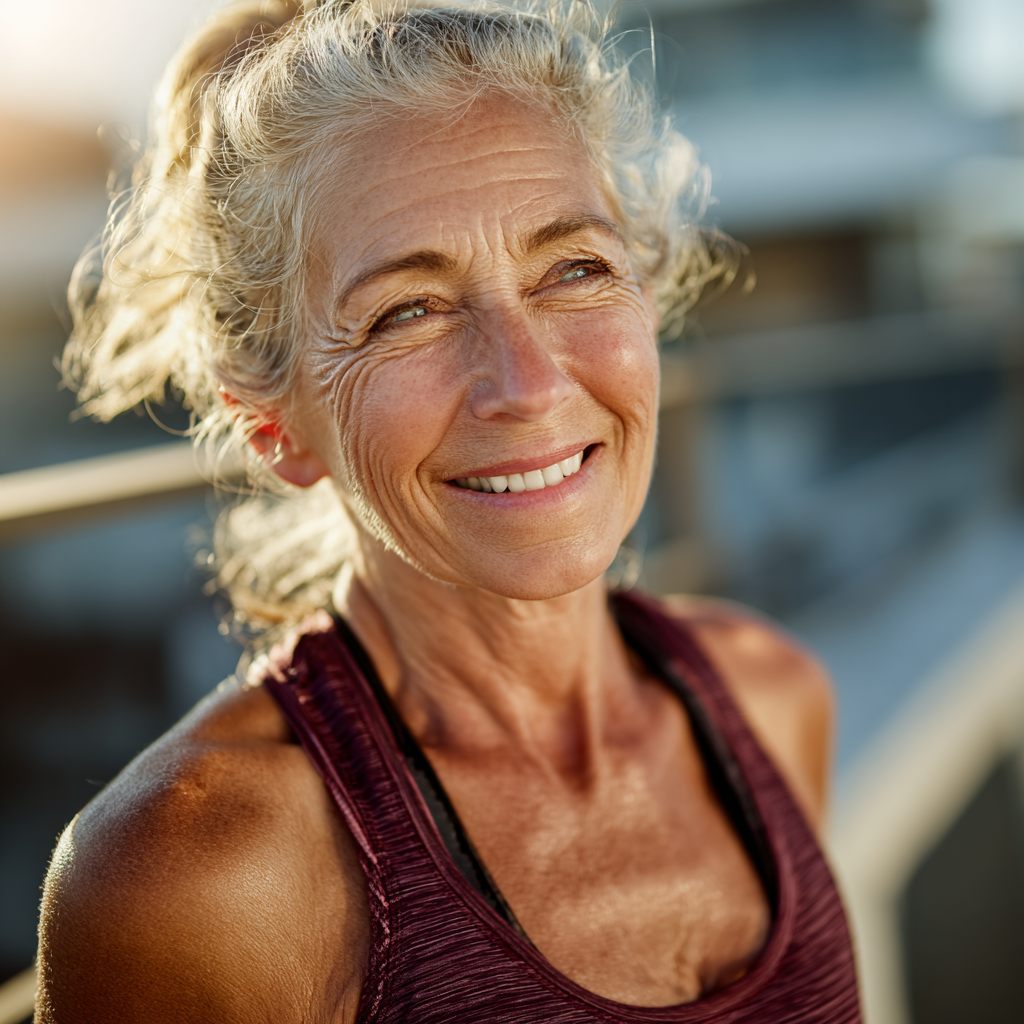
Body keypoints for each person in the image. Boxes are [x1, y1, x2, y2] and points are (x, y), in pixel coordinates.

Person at [36, 0, 860, 1020]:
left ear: (650, 300)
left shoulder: (772, 700)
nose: (524, 382)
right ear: (272, 426)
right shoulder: (201, 869)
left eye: (574, 269)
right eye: (406, 311)